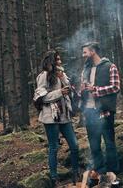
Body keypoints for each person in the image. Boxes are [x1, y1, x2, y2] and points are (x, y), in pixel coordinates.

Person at [33, 50, 79, 186]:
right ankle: (54, 178)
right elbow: (41, 97)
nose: (59, 62)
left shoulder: (61, 74)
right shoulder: (44, 76)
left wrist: (63, 79)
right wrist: (60, 92)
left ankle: (76, 172)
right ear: (50, 61)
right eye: (57, 60)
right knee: (53, 147)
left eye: (60, 59)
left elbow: (70, 88)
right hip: (50, 116)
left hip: (64, 115)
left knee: (75, 145)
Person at [80, 42, 120, 180]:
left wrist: (96, 89)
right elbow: (83, 91)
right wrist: (82, 90)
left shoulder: (110, 66)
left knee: (109, 143)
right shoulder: (85, 70)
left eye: (85, 52)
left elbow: (115, 87)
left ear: (92, 52)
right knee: (94, 145)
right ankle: (100, 172)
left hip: (105, 111)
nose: (83, 55)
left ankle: (113, 172)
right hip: (90, 112)